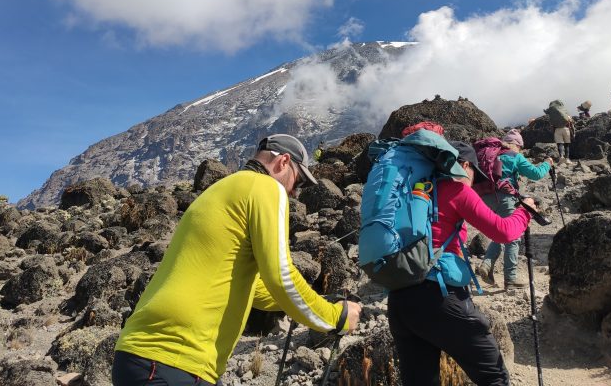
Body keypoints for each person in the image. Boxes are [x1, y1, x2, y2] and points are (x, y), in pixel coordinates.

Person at [113, 134, 362, 385]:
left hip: (144, 356)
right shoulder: (266, 187)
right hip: (173, 357)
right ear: (283, 162)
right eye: (297, 182)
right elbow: (281, 275)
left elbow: (255, 289)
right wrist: (335, 318)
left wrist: (316, 302)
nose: (295, 193)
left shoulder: (221, 189)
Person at [387, 140, 538, 386]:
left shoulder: (414, 190)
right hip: (440, 298)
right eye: (473, 175)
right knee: (494, 377)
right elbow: (504, 231)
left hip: (399, 301)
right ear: (464, 165)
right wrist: (525, 212)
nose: (474, 183)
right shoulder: (456, 189)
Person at [476, 129, 553, 289]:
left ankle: (487, 265)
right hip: (505, 198)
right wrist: (548, 163)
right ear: (517, 145)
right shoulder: (515, 156)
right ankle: (510, 278)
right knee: (513, 236)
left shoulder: (493, 154)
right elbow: (536, 174)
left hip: (485, 198)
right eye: (521, 147)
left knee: (499, 231)